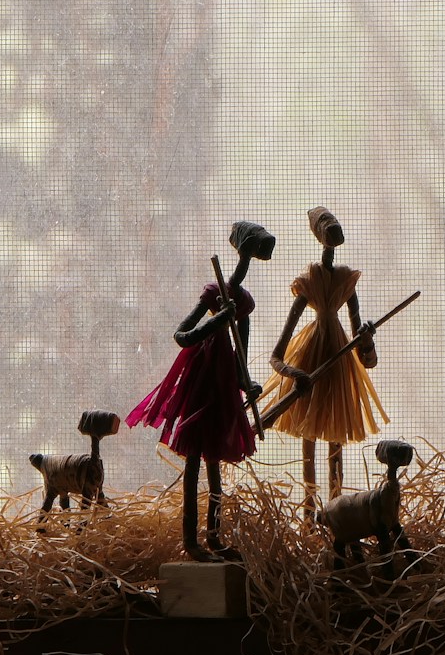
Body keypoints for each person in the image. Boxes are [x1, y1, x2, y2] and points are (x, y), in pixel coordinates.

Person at [129, 221, 275, 560]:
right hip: (202, 378)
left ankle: (213, 536)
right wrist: (215, 321)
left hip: (223, 383)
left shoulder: (244, 302)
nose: (248, 261)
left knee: (214, 466)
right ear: (241, 250)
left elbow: (242, 350)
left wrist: (246, 382)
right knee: (195, 463)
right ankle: (192, 542)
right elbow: (182, 336)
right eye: (248, 253)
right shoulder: (213, 293)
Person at [258, 206, 385, 511]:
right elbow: (276, 356)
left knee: (335, 446)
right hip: (310, 366)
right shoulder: (309, 283)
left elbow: (366, 360)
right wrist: (294, 373)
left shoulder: (345, 282)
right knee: (309, 444)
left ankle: (335, 513)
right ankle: (309, 514)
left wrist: (366, 340)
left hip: (338, 371)